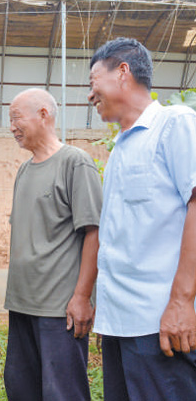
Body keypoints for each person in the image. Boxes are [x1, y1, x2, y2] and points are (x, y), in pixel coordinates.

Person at [88, 37, 196, 401]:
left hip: (160, 324)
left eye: (93, 83)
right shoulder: (121, 147)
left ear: (122, 73)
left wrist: (182, 302)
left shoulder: (175, 124)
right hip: (121, 325)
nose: (91, 95)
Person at [3, 88, 103, 401]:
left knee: (63, 393)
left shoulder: (75, 162)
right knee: (21, 389)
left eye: (17, 117)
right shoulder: (24, 169)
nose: (12, 126)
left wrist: (82, 297)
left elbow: (94, 232)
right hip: (21, 304)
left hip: (59, 309)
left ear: (44, 114)